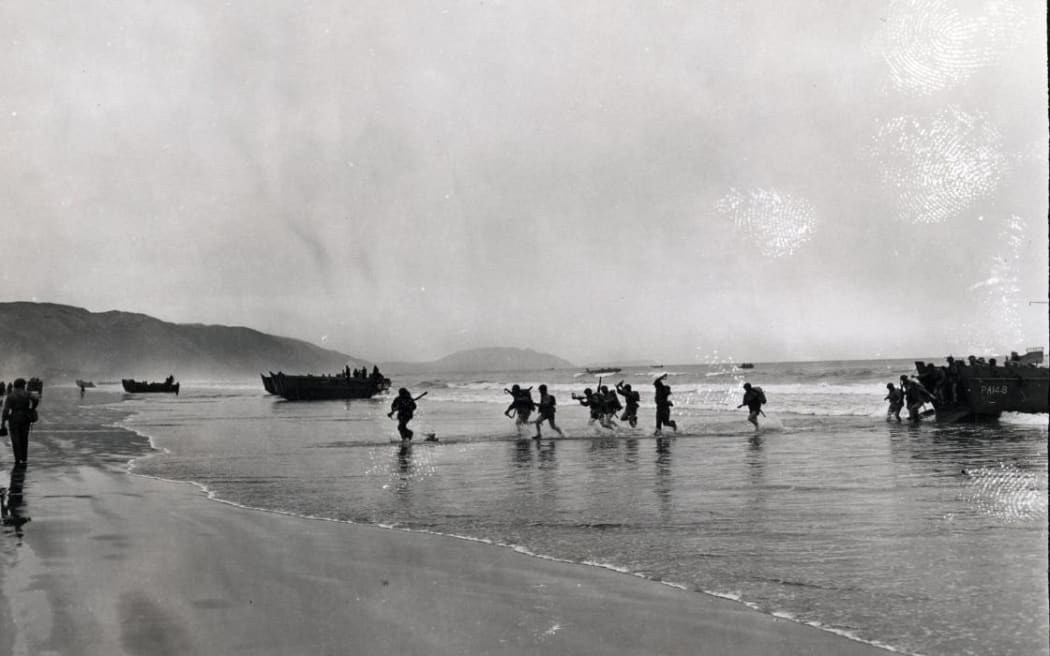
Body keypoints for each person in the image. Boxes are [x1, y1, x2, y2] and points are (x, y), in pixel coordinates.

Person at [2, 378, 38, 466]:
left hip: (14, 418)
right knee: (24, 438)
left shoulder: (11, 395)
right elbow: (36, 399)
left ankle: (17, 458)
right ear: (23, 385)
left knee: (15, 439)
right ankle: (24, 457)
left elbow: (6, 410)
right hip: (25, 417)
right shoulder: (27, 393)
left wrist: (3, 422)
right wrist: (32, 408)